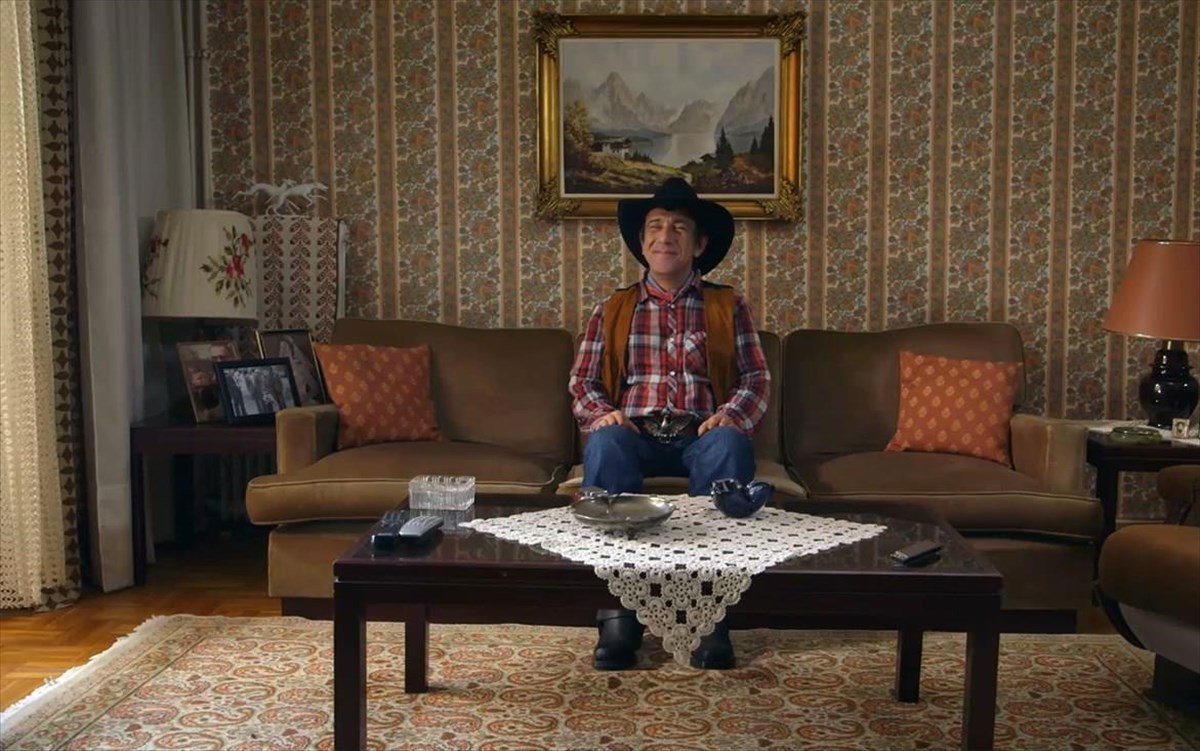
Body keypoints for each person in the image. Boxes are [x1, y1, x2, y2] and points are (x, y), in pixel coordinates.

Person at [567, 176, 771, 671]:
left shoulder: (727, 305)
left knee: (730, 445)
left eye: (678, 227)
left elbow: (756, 378)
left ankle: (708, 616)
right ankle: (619, 615)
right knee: (606, 442)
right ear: (642, 243)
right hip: (635, 434)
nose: (665, 236)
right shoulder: (612, 308)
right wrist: (603, 413)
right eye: (655, 227)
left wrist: (729, 415)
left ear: (698, 245)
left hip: (699, 434)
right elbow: (583, 382)